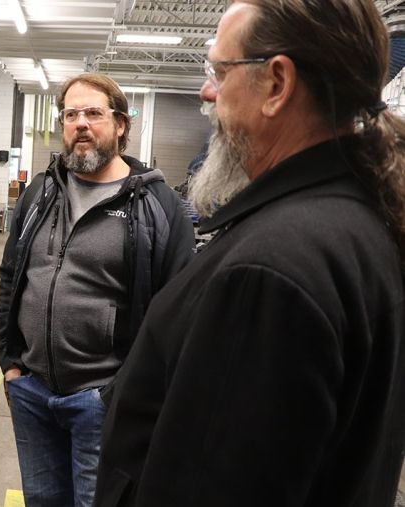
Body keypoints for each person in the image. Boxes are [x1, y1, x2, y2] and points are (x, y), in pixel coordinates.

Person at [95, 2, 405, 506]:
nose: (207, 91)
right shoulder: (357, 224)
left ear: (277, 84)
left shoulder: (270, 270)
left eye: (220, 71)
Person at [0, 73, 195, 506]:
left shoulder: (157, 206)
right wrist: (9, 361)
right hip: (31, 390)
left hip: (102, 402)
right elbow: (11, 275)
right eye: (71, 114)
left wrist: (121, 392)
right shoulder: (40, 194)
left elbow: (177, 314)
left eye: (93, 113)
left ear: (120, 125)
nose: (81, 123)